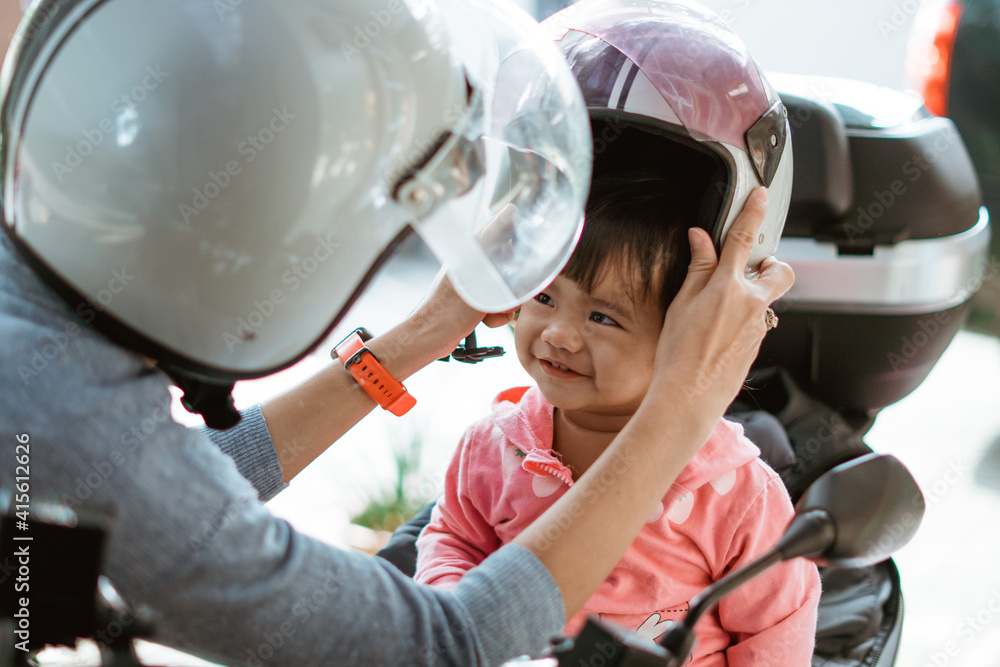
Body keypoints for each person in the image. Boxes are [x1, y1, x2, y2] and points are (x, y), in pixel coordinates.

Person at [0, 1, 793, 665]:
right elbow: (441, 644)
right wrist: (682, 407)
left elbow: (181, 482)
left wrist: (424, 332)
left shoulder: (41, 356)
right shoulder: (61, 415)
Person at [414, 172, 821, 664]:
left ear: (689, 336)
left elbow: (776, 631)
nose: (558, 334)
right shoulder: (492, 447)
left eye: (603, 317)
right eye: (544, 297)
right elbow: (453, 538)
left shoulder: (735, 494)